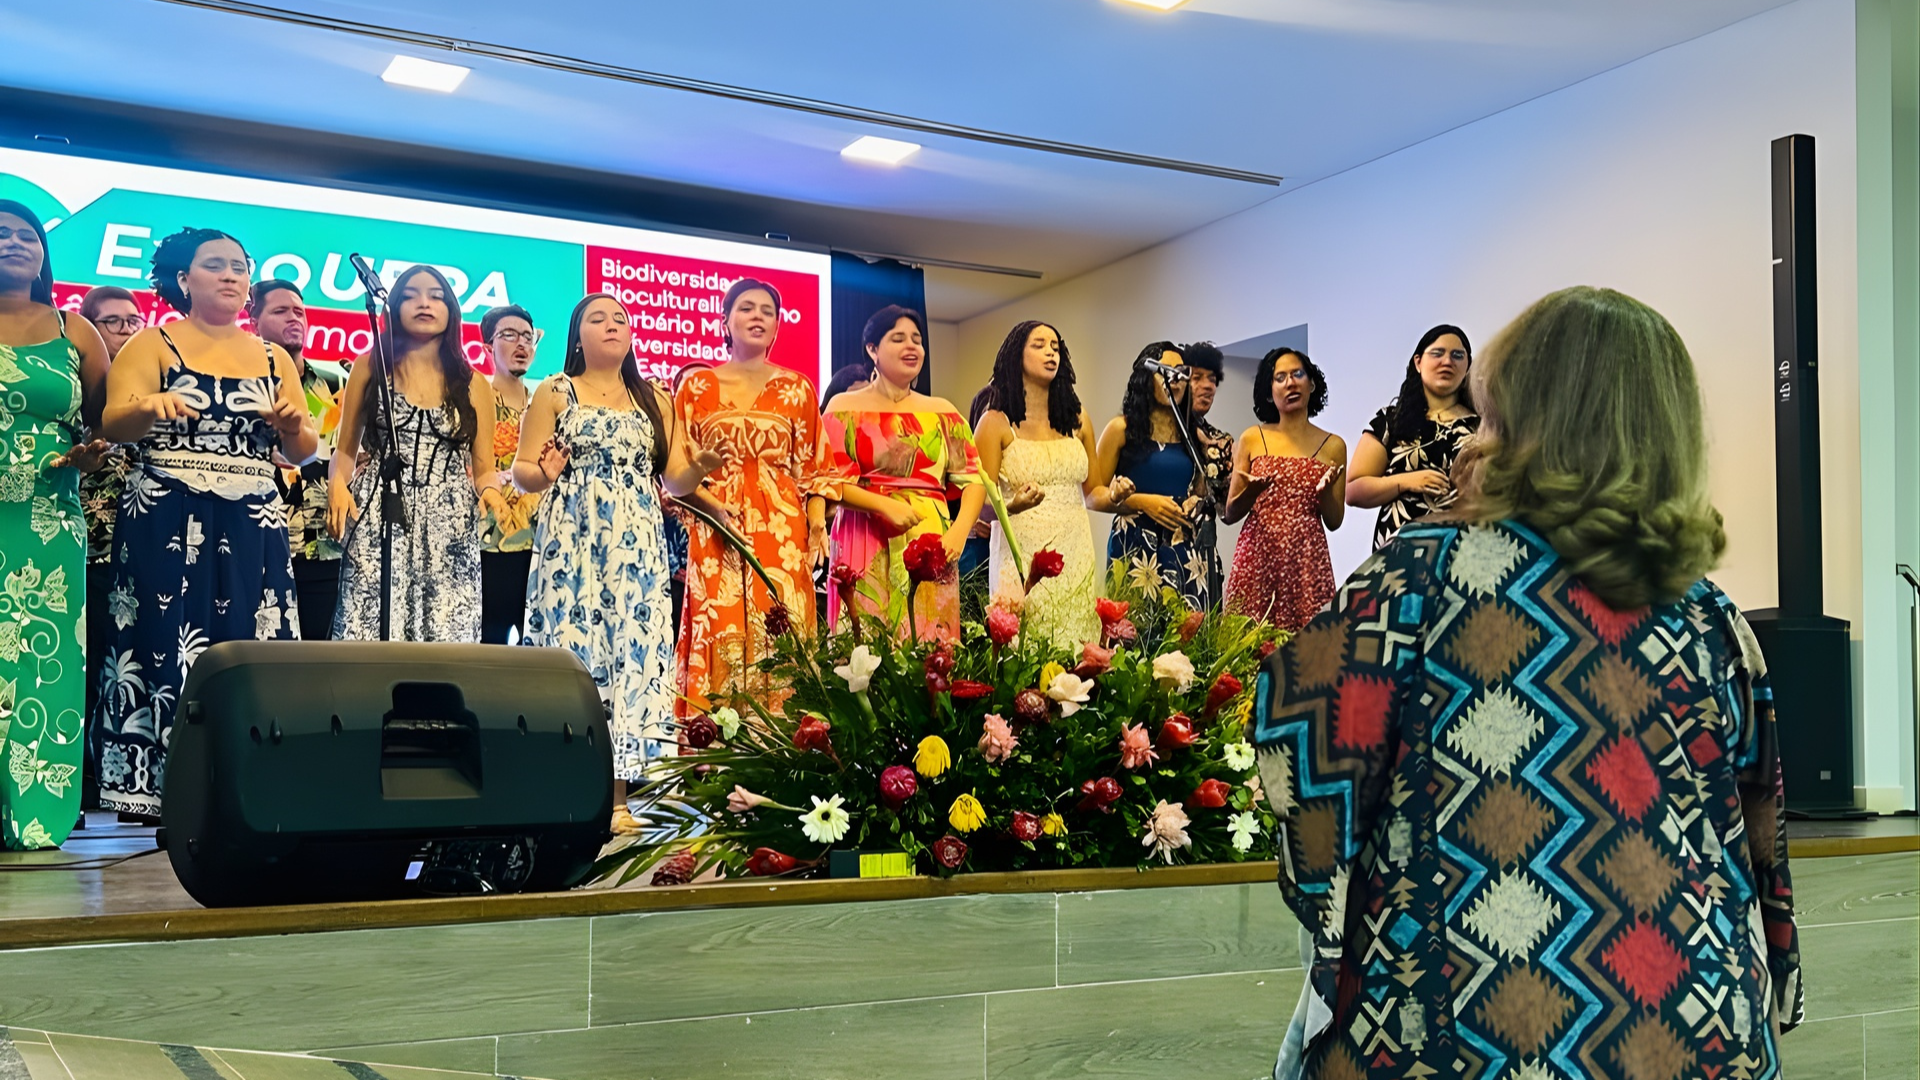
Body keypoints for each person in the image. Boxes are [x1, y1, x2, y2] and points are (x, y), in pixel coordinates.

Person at [1253, 287, 1802, 1080]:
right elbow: (1759, 827)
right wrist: (1774, 972)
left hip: (1464, 1021)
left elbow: (1296, 746)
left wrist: (1341, 912)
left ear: (1509, 410)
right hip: (1696, 1016)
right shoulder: (1709, 615)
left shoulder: (1418, 581)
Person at [96, 227, 316, 819]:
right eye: (215, 264)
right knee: (159, 641)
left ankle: (246, 784)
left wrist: (293, 427)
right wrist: (147, 406)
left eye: (239, 266)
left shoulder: (272, 357)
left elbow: (302, 451)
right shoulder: (153, 344)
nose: (230, 275)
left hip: (252, 520)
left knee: (251, 642)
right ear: (182, 279)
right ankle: (155, 788)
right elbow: (113, 422)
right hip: (166, 512)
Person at [513, 293, 723, 831]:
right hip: (571, 542)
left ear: (631, 335)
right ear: (577, 335)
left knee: (632, 656)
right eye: (597, 318)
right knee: (574, 655)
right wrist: (545, 471)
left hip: (636, 547)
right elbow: (522, 473)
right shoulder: (554, 391)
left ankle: (619, 800)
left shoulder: (654, 397)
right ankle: (563, 793)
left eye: (620, 319)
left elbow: (673, 478)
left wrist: (698, 468)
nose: (611, 325)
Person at [0, 201, 110, 849]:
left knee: (45, 662)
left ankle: (34, 812)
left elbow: (103, 422)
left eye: (27, 235)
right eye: (1, 233)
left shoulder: (76, 330)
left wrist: (92, 452)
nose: (14, 242)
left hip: (46, 517)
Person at [674, 278, 830, 719]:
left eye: (767, 310)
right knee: (718, 627)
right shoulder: (695, 386)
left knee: (782, 628)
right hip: (714, 526)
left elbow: (816, 471)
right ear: (725, 321)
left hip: (782, 531)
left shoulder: (798, 388)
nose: (758, 316)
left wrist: (817, 524)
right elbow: (676, 471)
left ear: (777, 326)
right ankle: (717, 745)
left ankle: (781, 747)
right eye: (746, 308)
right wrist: (711, 507)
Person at [328, 265, 506, 642]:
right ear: (393, 307)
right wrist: (337, 486)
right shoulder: (370, 365)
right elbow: (344, 451)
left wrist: (491, 492)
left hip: (450, 524)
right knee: (369, 629)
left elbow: (484, 468)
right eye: (410, 296)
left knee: (447, 635)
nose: (424, 303)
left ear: (452, 311)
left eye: (436, 297)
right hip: (379, 514)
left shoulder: (474, 383)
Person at [823, 305, 984, 641]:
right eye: (898, 338)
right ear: (872, 349)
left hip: (930, 537)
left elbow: (974, 480)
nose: (912, 346)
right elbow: (829, 480)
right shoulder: (843, 407)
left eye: (917, 340)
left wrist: (958, 532)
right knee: (864, 641)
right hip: (863, 532)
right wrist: (884, 506)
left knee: (930, 644)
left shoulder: (943, 412)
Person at [973, 320, 1109, 650]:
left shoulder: (1078, 419)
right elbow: (977, 504)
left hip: (1075, 552)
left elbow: (1094, 493)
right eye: (1039, 345)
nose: (1050, 352)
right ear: (1016, 356)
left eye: (1055, 347)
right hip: (1021, 552)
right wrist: (1012, 505)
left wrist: (1118, 495)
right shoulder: (994, 423)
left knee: (1077, 645)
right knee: (1024, 646)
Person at [1089, 342, 1224, 610]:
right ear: (1146, 377)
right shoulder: (1121, 429)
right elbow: (1092, 496)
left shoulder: (1193, 434)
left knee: (1186, 627)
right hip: (1136, 545)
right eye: (1165, 372)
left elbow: (1201, 492)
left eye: (1181, 373)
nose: (1174, 380)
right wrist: (1140, 501)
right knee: (1137, 626)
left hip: (1183, 546)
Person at [1222, 348, 1346, 631]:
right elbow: (1230, 513)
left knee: (1308, 647)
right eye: (1280, 378)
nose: (1290, 383)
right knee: (1248, 644)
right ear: (1269, 392)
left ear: (1311, 384)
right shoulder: (1252, 437)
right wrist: (1251, 493)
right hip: (1257, 556)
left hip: (1307, 560)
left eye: (1297, 374)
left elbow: (1335, 521)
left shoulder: (1334, 445)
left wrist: (1325, 493)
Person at [249, 280, 343, 642]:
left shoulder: (337, 382)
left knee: (323, 657)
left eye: (299, 311)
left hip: (326, 547)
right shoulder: (239, 384)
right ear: (254, 319)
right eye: (280, 311)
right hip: (260, 545)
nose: (294, 318)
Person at [75, 286, 140, 778]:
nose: (127, 330)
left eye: (133, 320)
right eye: (113, 322)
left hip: (145, 551)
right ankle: (81, 782)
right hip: (90, 552)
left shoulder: (151, 388)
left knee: (134, 672)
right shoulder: (77, 390)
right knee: (89, 668)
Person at [1346, 324, 1478, 550]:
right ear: (1418, 362)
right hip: (1399, 553)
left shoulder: (1483, 427)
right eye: (1437, 353)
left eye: (1457, 355)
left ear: (1468, 366)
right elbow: (1353, 491)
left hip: (1464, 550)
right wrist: (1408, 481)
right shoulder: (1390, 420)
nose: (1447, 361)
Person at [478, 304, 541, 644]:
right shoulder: (477, 399)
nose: (522, 344)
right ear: (488, 346)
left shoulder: (545, 403)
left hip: (540, 543)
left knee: (537, 646)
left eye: (528, 337)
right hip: (488, 542)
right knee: (491, 643)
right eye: (510, 335)